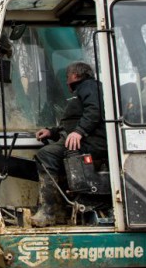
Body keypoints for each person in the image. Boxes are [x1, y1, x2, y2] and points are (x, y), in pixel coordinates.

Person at [29, 61, 107, 227]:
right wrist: (52, 132)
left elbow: (94, 111)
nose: (66, 81)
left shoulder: (89, 86)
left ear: (77, 75)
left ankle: (50, 211)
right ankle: (57, 209)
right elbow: (72, 123)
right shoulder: (82, 91)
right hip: (84, 138)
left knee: (45, 155)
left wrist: (80, 132)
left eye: (67, 76)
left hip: (93, 141)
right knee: (48, 152)